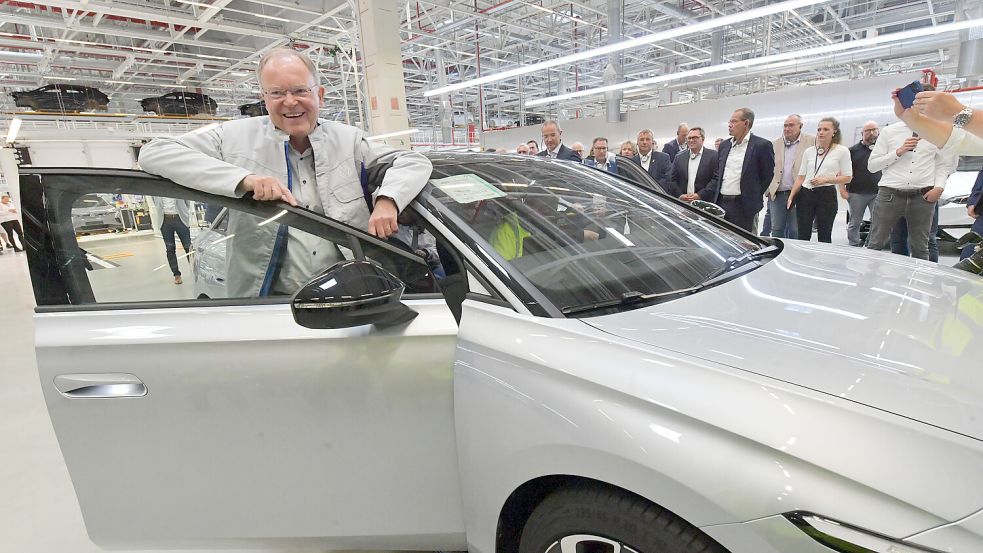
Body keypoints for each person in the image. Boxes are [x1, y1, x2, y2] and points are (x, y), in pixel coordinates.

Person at [139, 47, 431, 297]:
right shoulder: (233, 137)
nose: (290, 102)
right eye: (277, 93)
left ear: (320, 94)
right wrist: (244, 180)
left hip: (352, 292)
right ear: (264, 97)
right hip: (272, 300)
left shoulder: (349, 141)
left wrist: (388, 200)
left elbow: (413, 162)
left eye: (300, 91)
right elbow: (154, 152)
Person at [865, 94, 956, 261]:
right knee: (876, 243)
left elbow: (944, 164)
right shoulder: (889, 131)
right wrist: (897, 152)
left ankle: (920, 286)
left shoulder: (937, 132)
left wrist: (939, 187)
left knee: (922, 247)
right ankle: (870, 284)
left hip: (923, 196)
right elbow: (872, 166)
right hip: (889, 194)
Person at [705, 108, 775, 232]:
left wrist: (753, 194)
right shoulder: (724, 145)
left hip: (745, 206)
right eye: (729, 121)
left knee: (745, 243)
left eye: (734, 121)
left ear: (746, 123)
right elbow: (719, 173)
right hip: (722, 203)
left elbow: (767, 175)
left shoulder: (761, 145)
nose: (729, 124)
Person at [786, 117, 852, 243]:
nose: (821, 132)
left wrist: (826, 180)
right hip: (806, 194)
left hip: (826, 194)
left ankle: (823, 260)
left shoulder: (842, 151)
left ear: (834, 132)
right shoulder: (809, 151)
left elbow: (848, 177)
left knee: (824, 234)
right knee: (803, 234)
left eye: (826, 129)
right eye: (819, 129)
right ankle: (801, 257)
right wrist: (791, 196)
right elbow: (801, 177)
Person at [765, 114, 815, 239]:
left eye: (791, 125)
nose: (787, 128)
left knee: (795, 229)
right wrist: (768, 190)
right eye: (785, 125)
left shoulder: (811, 142)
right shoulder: (774, 144)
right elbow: (766, 168)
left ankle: (793, 255)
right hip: (778, 193)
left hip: (799, 193)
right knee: (776, 229)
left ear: (800, 126)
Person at [845, 121, 881, 246]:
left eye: (874, 130)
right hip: (856, 193)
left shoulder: (881, 150)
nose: (871, 133)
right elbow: (843, 171)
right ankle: (853, 243)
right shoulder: (852, 151)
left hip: (877, 192)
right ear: (862, 133)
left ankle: (870, 243)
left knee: (877, 221)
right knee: (855, 221)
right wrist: (843, 190)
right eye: (868, 130)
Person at [149, 196, 193, 284]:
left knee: (188, 246)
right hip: (165, 221)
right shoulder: (155, 191)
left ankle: (195, 272)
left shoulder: (177, 189)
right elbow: (156, 203)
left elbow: (187, 203)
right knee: (170, 248)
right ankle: (176, 275)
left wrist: (183, 214)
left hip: (180, 219)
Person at [669, 127, 717, 202]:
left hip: (705, 202)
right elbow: (672, 179)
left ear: (703, 139)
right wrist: (680, 195)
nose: (691, 140)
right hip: (684, 202)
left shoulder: (713, 156)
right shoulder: (679, 157)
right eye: (689, 138)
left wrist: (700, 195)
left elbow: (715, 179)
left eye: (695, 137)